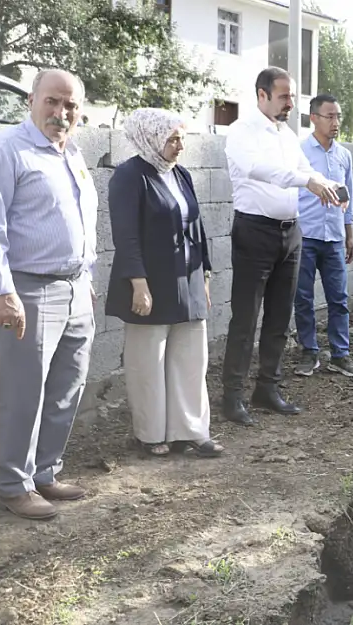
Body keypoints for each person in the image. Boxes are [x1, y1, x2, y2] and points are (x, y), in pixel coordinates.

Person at [0, 69, 96, 520]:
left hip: (74, 288)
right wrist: (3, 292)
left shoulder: (72, 154)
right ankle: (14, 484)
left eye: (71, 105)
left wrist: (87, 278)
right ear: (31, 101)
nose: (61, 113)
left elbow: (82, 224)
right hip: (27, 288)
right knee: (26, 392)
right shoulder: (5, 150)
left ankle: (45, 472)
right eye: (52, 102)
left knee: (67, 386)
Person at [220, 67, 343, 426]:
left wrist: (328, 186)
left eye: (292, 96)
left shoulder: (287, 134)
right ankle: (232, 396)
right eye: (284, 96)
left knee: (279, 317)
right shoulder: (241, 131)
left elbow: (305, 168)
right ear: (262, 95)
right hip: (254, 232)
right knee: (245, 318)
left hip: (290, 234)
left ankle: (267, 388)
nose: (291, 103)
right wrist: (307, 181)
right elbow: (262, 170)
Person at [105, 108, 224, 459]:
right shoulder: (130, 176)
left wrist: (204, 274)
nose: (179, 146)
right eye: (172, 139)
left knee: (191, 358)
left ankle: (191, 430)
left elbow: (197, 229)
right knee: (148, 361)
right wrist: (138, 284)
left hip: (187, 280)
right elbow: (125, 237)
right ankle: (150, 433)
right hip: (150, 282)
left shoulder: (181, 174)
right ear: (151, 138)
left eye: (182, 139)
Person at [294, 94, 353, 378]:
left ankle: (340, 354)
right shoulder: (299, 152)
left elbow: (349, 198)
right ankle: (309, 352)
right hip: (305, 236)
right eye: (329, 116)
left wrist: (349, 235)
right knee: (303, 298)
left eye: (338, 116)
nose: (335, 122)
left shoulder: (344, 156)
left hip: (334, 238)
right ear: (314, 118)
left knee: (339, 299)